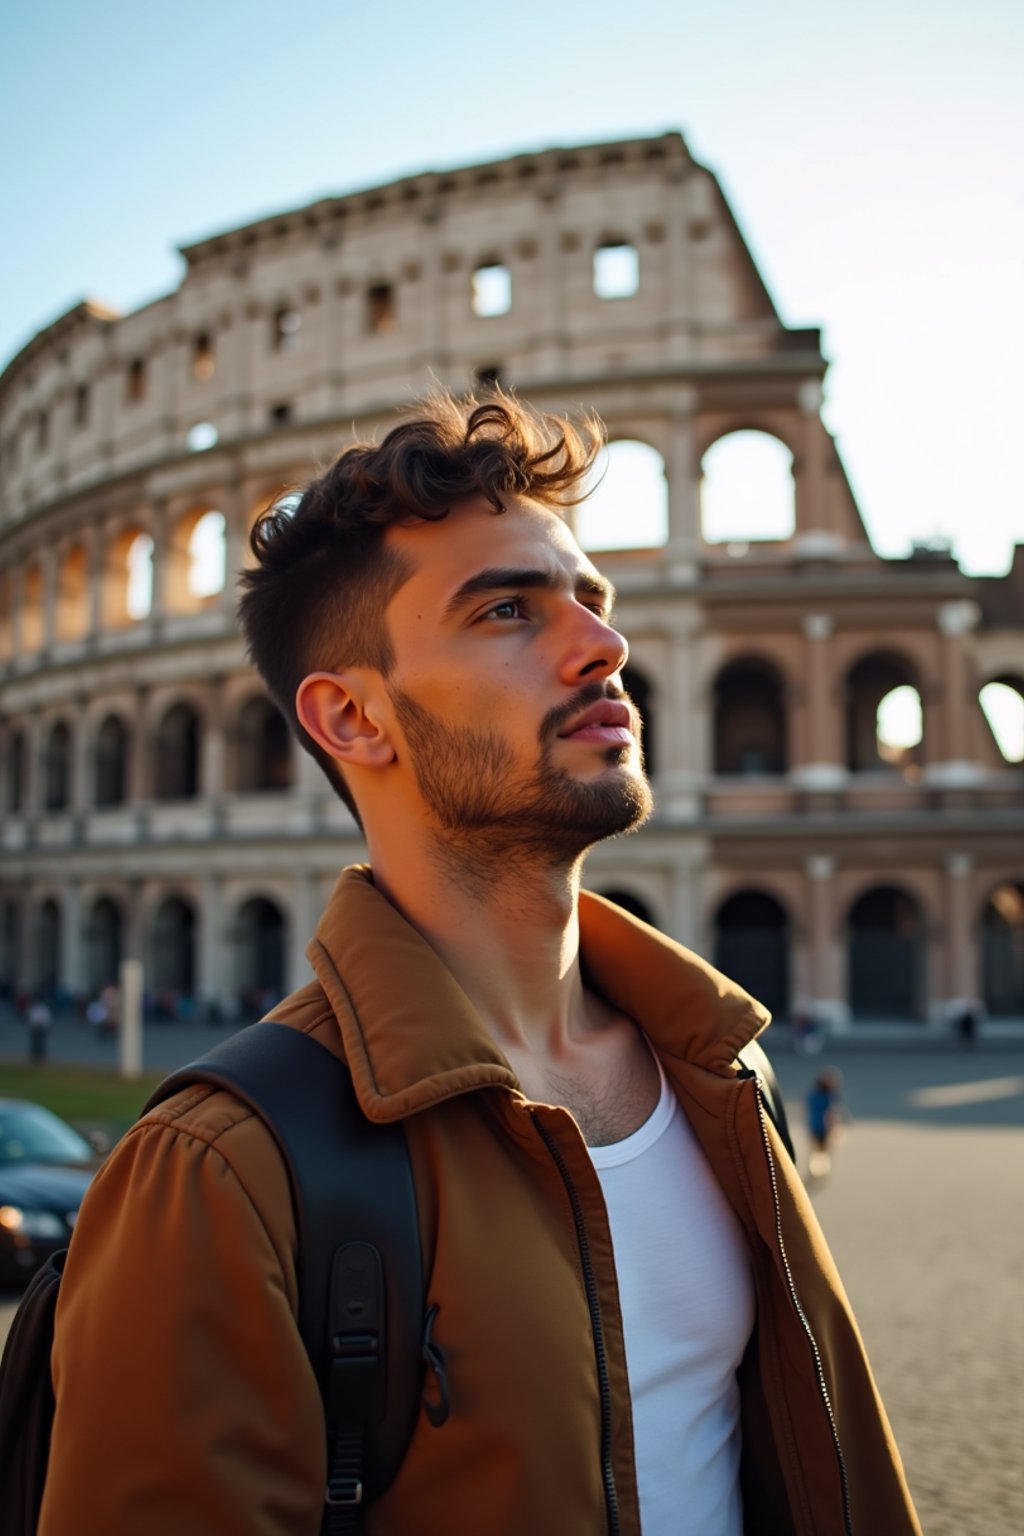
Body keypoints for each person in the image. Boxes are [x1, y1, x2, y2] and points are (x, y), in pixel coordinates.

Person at [41, 393, 921, 1535]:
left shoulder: (717, 1071)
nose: (603, 646)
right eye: (508, 609)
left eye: (590, 601)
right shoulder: (216, 1173)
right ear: (354, 718)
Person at [806, 1068, 846, 1180]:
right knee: (822, 1149)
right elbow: (832, 1114)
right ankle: (819, 1168)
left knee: (817, 1149)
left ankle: (816, 1168)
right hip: (823, 1127)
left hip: (814, 1126)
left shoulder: (813, 1095)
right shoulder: (828, 1097)